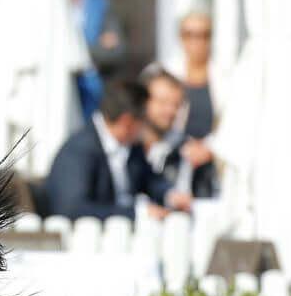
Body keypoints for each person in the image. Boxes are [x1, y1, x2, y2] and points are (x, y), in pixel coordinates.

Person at [46, 79, 192, 220]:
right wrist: (137, 214)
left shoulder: (131, 146)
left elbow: (148, 179)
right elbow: (72, 208)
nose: (146, 126)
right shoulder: (78, 151)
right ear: (127, 122)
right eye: (144, 120)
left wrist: (170, 195)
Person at [68, 0, 127, 122]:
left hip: (93, 93)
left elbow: (115, 51)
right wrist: (94, 49)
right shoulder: (53, 7)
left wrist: (77, 53)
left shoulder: (100, 5)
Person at [140, 69, 217, 199]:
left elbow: (205, 199)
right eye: (162, 102)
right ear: (143, 101)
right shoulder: (124, 147)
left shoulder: (189, 153)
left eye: (176, 105)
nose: (170, 111)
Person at [167, 9, 219, 139]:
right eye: (189, 34)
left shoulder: (226, 78)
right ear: (180, 37)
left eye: (204, 35)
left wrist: (210, 148)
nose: (197, 41)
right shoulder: (165, 73)